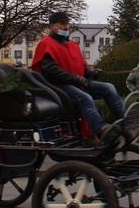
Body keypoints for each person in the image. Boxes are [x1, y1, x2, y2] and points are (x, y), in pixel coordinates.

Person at [31, 11, 125, 145]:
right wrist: (78, 79)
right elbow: (52, 72)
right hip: (58, 87)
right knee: (85, 97)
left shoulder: (72, 45)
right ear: (52, 26)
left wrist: (90, 72)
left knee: (109, 88)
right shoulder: (45, 44)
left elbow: (81, 65)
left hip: (76, 83)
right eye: (62, 24)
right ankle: (101, 130)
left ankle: (124, 122)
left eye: (67, 24)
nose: (66, 27)